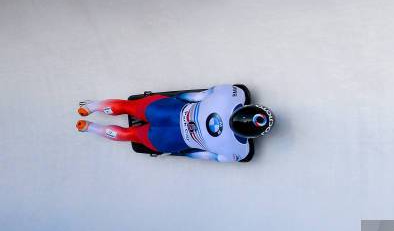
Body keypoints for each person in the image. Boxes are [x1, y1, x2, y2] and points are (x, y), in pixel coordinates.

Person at [76, 84, 274, 162]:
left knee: (129, 107)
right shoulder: (236, 151)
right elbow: (199, 155)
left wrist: (176, 99)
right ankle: (90, 128)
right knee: (131, 135)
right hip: (168, 140)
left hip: (167, 111)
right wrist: (178, 151)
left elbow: (196, 96)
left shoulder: (231, 95)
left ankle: (92, 106)